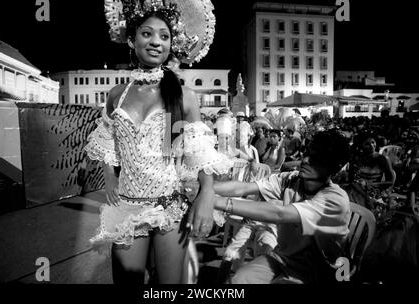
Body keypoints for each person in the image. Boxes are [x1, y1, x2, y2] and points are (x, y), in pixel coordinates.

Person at [84, 0, 229, 284]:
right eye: (147, 33)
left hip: (169, 209)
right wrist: (109, 178)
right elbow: (107, 140)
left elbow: (197, 150)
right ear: (131, 38)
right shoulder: (117, 95)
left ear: (171, 44)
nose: (156, 42)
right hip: (126, 208)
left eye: (164, 36)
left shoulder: (183, 95)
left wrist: (206, 193)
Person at [213, 130, 351, 283]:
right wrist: (204, 189)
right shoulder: (291, 180)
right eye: (307, 153)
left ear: (335, 168)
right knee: (239, 279)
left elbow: (280, 213)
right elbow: (243, 188)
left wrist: (215, 202)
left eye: (316, 158)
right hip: (284, 259)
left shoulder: (335, 200)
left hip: (319, 272)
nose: (305, 160)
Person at [347, 132, 396, 212]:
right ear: (360, 145)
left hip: (375, 190)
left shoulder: (383, 159)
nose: (372, 146)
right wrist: (364, 193)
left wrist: (372, 185)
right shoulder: (356, 158)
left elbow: (390, 181)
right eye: (367, 144)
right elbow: (351, 180)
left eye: (373, 142)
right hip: (358, 190)